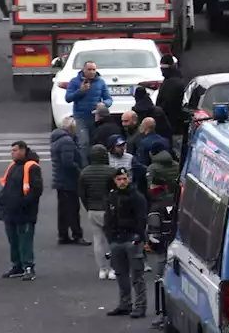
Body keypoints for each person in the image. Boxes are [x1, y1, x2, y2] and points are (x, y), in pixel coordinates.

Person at [105, 167, 148, 318]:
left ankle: (140, 306)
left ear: (128, 178)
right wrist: (110, 237)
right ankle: (125, 304)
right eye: (119, 179)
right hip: (116, 240)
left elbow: (142, 219)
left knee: (137, 276)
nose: (122, 182)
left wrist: (138, 237)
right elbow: (108, 217)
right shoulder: (112, 196)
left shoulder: (137, 197)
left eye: (124, 178)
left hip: (132, 240)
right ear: (114, 181)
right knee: (120, 274)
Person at [0, 141, 43, 281]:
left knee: (25, 241)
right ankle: (17, 266)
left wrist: (23, 203)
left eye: (15, 150)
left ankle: (28, 266)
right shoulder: (13, 166)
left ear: (23, 150)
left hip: (24, 212)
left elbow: (36, 190)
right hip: (10, 212)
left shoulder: (32, 167)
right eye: (12, 150)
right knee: (14, 240)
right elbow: (6, 187)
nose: (13, 153)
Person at [78, 144, 117, 279]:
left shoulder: (85, 172)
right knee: (112, 240)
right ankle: (113, 268)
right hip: (108, 210)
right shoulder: (111, 171)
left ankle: (102, 269)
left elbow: (82, 194)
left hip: (93, 209)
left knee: (98, 240)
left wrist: (88, 206)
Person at [146, 168, 177, 329]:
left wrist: (152, 247)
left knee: (161, 283)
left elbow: (154, 234)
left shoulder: (155, 207)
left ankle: (162, 316)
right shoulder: (176, 201)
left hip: (162, 251)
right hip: (177, 249)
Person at [50, 117, 88, 245]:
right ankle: (77, 235)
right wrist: (80, 171)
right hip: (68, 180)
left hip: (60, 180)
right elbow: (68, 162)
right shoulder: (67, 141)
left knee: (63, 209)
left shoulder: (59, 139)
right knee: (73, 209)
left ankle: (63, 235)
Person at [66, 61, 112, 156]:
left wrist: (104, 104)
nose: (91, 72)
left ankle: (94, 165)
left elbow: (109, 99)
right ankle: (84, 168)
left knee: (95, 143)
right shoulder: (75, 81)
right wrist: (81, 91)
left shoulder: (100, 82)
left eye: (93, 70)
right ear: (84, 70)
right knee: (84, 143)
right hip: (81, 117)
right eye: (89, 69)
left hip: (96, 118)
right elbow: (68, 98)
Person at [154, 55, 188, 151]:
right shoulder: (174, 80)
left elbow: (168, 104)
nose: (162, 71)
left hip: (171, 123)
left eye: (164, 68)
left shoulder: (172, 83)